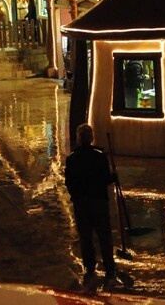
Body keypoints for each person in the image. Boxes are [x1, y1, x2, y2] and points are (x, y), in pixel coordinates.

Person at [64, 123, 118, 290]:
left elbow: (69, 183)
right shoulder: (99, 156)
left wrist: (77, 195)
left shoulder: (72, 158)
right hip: (99, 201)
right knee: (104, 235)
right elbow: (106, 179)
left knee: (86, 236)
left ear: (79, 139)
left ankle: (90, 268)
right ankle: (110, 268)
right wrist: (113, 177)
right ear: (91, 137)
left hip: (81, 203)